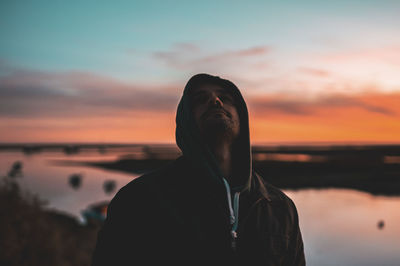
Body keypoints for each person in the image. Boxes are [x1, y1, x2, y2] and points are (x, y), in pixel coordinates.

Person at [91, 74, 305, 266]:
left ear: (243, 119)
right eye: (200, 100)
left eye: (226, 98)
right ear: (185, 123)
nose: (215, 101)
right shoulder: (139, 200)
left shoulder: (279, 207)